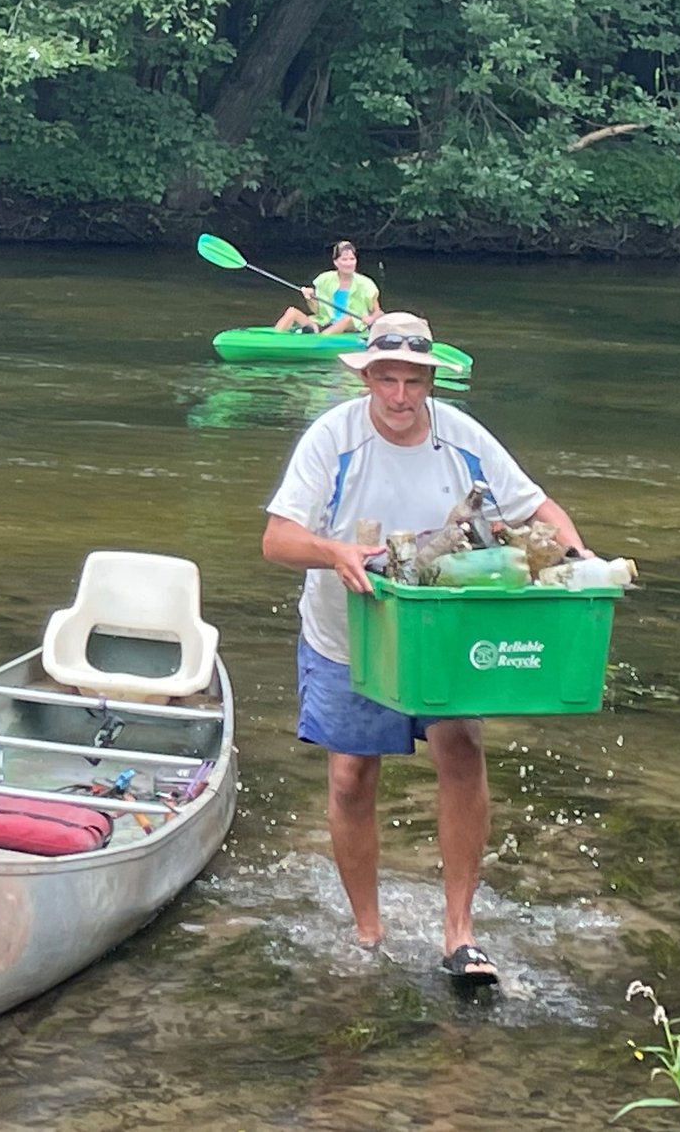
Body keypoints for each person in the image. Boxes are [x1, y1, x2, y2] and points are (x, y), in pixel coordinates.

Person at [260, 312, 588, 988]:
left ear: (432, 379)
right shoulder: (333, 438)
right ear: (366, 377)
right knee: (353, 775)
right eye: (388, 379)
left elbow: (538, 509)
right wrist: (333, 549)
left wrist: (580, 559)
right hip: (348, 633)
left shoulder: (464, 440)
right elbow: (276, 539)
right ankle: (368, 931)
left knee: (462, 749)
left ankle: (460, 935)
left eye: (414, 380)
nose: (401, 395)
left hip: (441, 632)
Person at [274, 240, 381, 334]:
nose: (349, 263)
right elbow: (317, 311)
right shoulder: (324, 279)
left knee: (346, 319)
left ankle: (318, 340)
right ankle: (272, 340)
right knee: (292, 311)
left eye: (352, 259)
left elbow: (378, 312)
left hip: (351, 327)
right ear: (336, 262)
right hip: (324, 322)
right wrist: (309, 298)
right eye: (344, 259)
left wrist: (371, 318)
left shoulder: (366, 284)